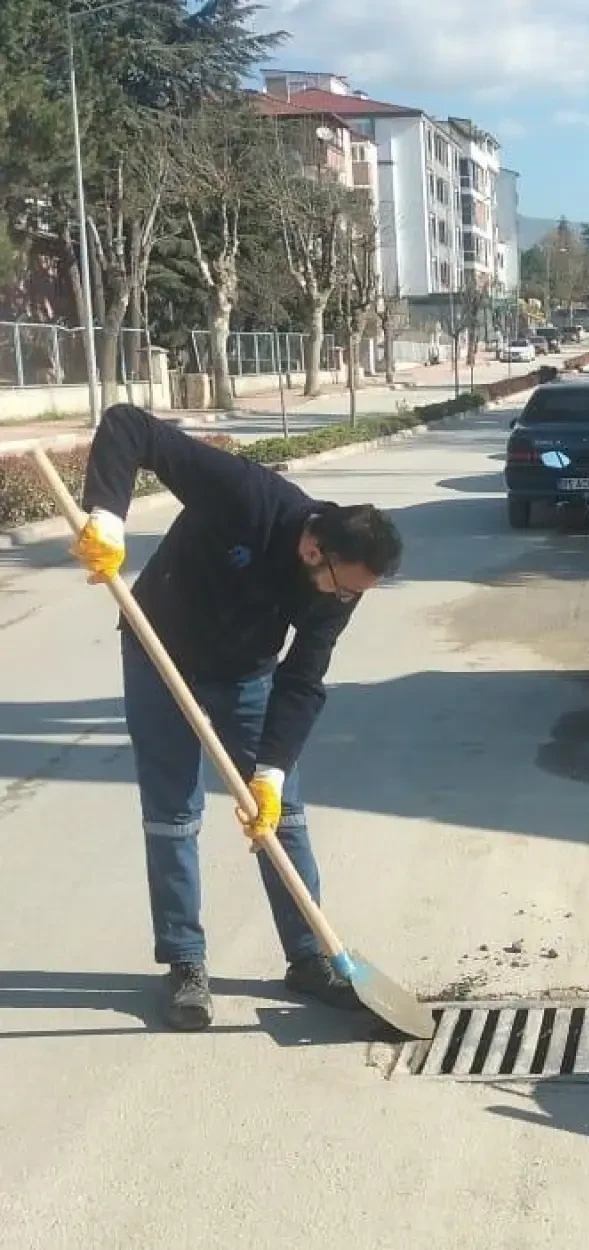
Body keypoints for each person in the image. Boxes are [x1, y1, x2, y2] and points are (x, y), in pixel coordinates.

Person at [72, 403, 404, 1031]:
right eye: (340, 586)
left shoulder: (341, 589)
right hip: (159, 651)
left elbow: (303, 679)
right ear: (314, 546)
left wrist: (272, 770)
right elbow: (127, 426)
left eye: (354, 593)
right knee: (173, 816)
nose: (343, 601)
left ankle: (310, 957)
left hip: (246, 672)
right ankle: (186, 963)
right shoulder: (249, 495)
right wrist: (106, 518)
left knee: (283, 818)